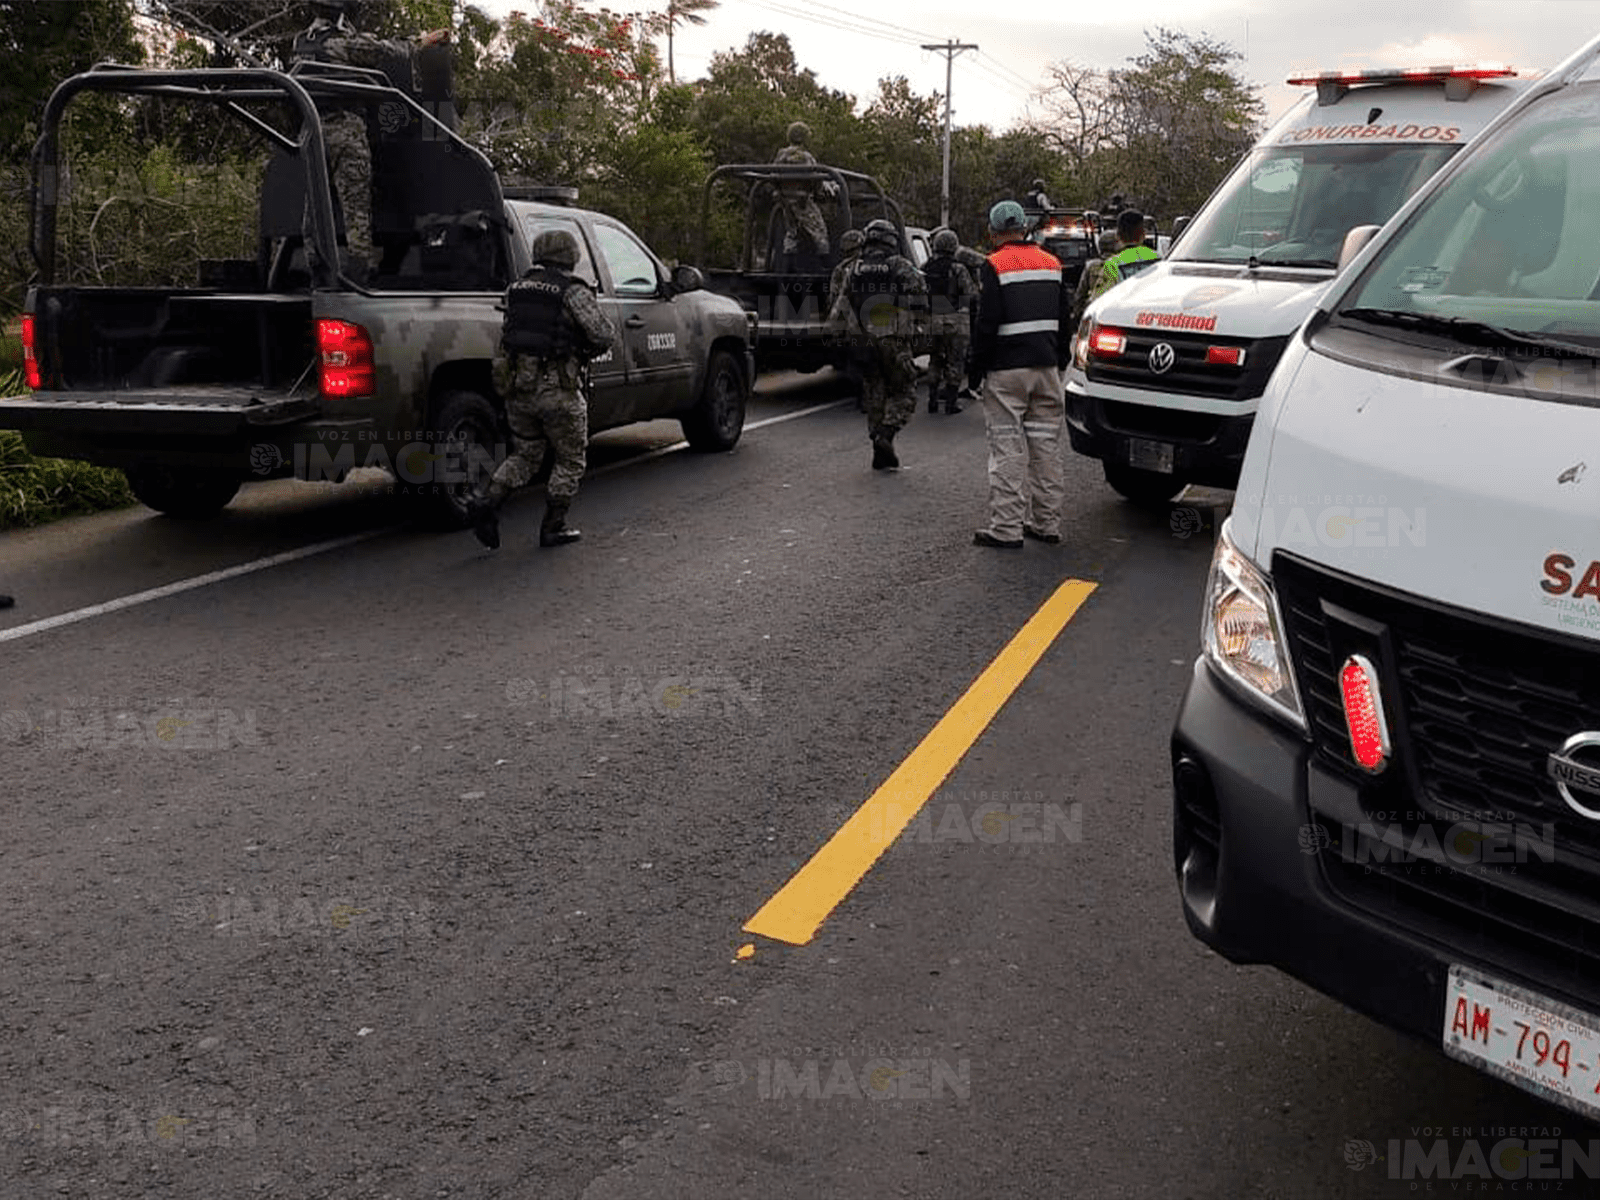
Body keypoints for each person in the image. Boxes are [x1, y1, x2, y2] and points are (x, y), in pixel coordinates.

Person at [470, 229, 616, 550]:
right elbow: (604, 335)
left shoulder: (516, 288)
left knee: (526, 454)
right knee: (570, 458)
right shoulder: (572, 291)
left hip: (518, 389)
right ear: (570, 256)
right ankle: (554, 526)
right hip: (558, 391)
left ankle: (486, 502)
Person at [293, 0, 450, 278]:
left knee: (314, 209)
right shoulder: (343, 43)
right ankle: (358, 275)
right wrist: (424, 40)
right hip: (344, 130)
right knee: (356, 210)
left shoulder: (300, 43)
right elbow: (390, 51)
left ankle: (317, 271)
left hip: (311, 133)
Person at [968, 199, 1073, 548]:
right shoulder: (1052, 263)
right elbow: (1064, 318)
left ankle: (1007, 528)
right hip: (1046, 369)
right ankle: (1047, 524)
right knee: (1045, 449)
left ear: (993, 232)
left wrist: (975, 368)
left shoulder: (994, 264)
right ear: (1025, 227)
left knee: (1007, 449)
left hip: (1007, 372)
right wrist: (1058, 360)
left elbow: (987, 322)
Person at [828, 218, 925, 470]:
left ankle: (878, 448)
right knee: (905, 391)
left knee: (874, 392)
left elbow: (839, 306)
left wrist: (839, 336)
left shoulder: (854, 269)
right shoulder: (898, 265)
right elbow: (920, 293)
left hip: (863, 340)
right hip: (894, 338)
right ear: (890, 240)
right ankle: (887, 434)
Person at [921, 229, 979, 415]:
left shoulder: (924, 267)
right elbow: (971, 294)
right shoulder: (957, 268)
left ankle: (932, 401)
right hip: (954, 319)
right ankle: (951, 404)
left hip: (931, 319)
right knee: (955, 361)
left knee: (935, 360)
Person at [772, 121, 835, 261]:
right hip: (803, 201)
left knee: (791, 232)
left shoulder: (781, 155)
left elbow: (773, 175)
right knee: (819, 231)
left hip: (786, 200)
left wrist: (780, 191)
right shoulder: (806, 157)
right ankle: (824, 265)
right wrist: (820, 191)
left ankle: (787, 266)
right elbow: (815, 178)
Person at [1090, 208, 1161, 303]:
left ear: (1118, 236)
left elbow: (1099, 302)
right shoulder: (1159, 260)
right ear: (1143, 234)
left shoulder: (1113, 265)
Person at [1071, 228, 1120, 329]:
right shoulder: (1121, 264)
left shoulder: (1091, 265)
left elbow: (1080, 294)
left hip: (1093, 311)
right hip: (1114, 313)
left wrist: (1077, 315)